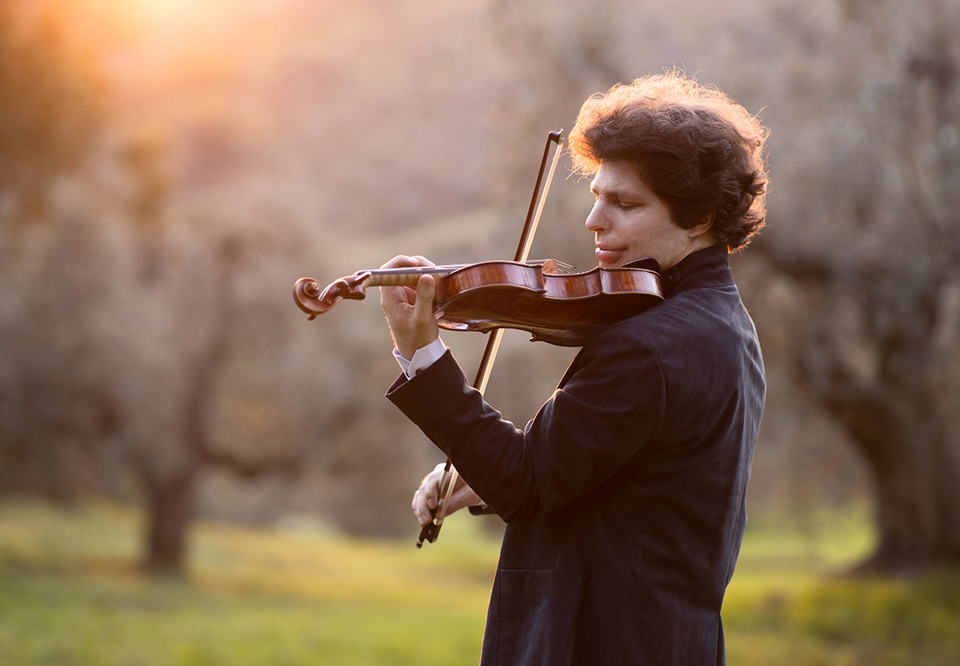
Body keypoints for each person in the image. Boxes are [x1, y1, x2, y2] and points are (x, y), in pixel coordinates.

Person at [379, 71, 768, 665]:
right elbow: (625, 473)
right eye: (596, 196)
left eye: (625, 203)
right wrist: (482, 475)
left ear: (698, 219)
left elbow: (529, 484)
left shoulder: (646, 346)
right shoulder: (723, 325)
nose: (595, 221)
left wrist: (423, 353)